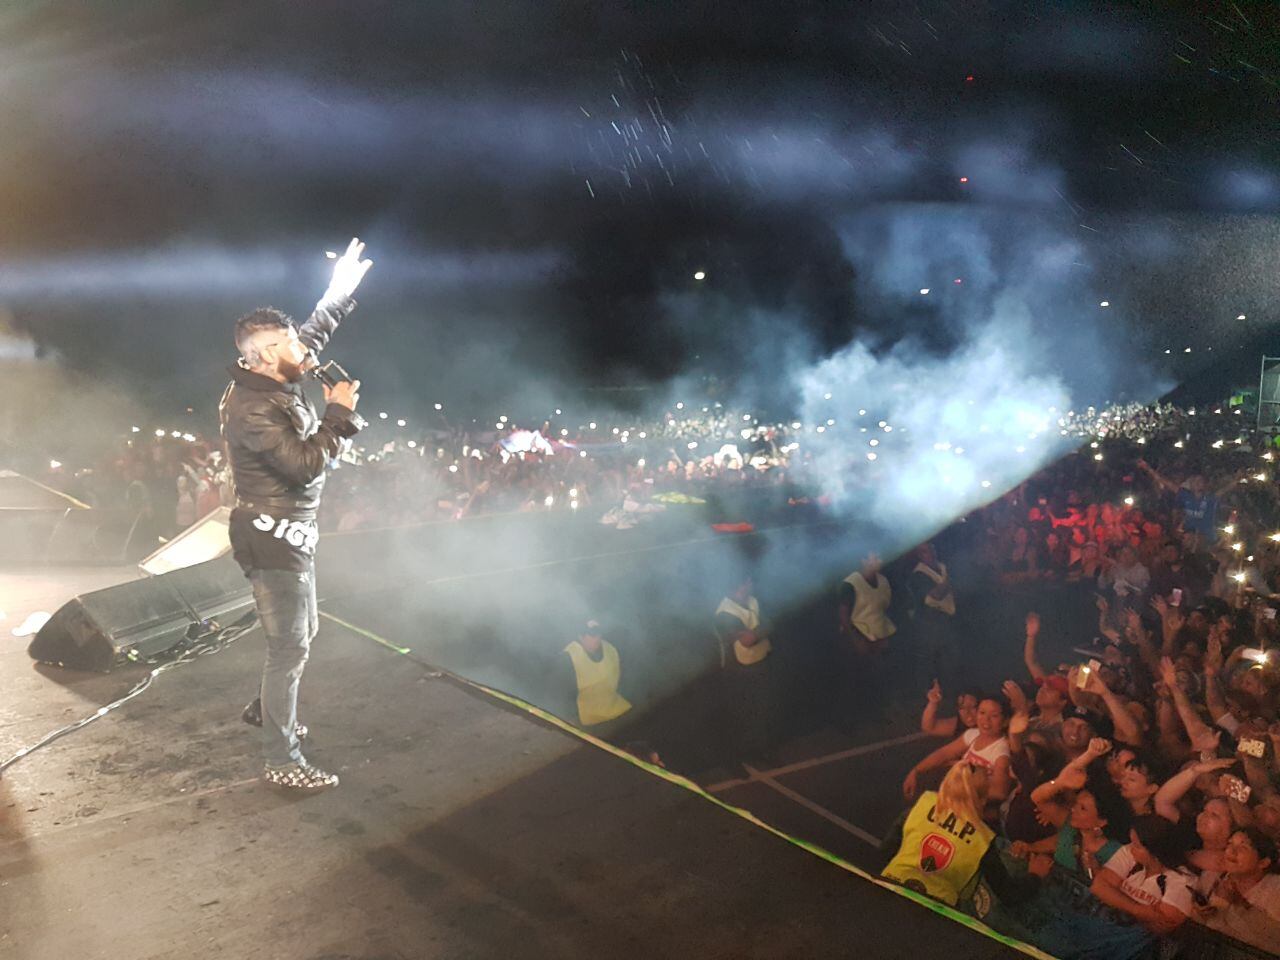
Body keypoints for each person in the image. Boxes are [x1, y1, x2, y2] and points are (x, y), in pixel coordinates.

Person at [220, 237, 372, 791]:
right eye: (287, 342)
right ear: (262, 355)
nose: (301, 348)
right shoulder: (254, 407)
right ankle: (281, 758)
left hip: (293, 528)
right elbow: (306, 465)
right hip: (270, 532)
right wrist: (339, 415)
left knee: (305, 629)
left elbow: (315, 331)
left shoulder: (277, 372)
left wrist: (339, 290)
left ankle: (266, 710)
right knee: (289, 646)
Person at [836, 553, 896, 724]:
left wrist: (885, 635)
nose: (879, 560)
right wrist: (856, 641)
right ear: (863, 561)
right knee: (853, 681)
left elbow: (883, 610)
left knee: (876, 678)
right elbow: (843, 616)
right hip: (856, 637)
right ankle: (848, 722)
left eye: (879, 557)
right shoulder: (850, 583)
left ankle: (875, 716)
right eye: (874, 557)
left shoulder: (883, 581)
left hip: (877, 637)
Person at [907, 542, 960, 693]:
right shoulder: (918, 575)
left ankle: (948, 690)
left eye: (931, 549)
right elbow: (935, 596)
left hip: (947, 619)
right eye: (925, 551)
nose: (930, 553)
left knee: (949, 657)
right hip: (929, 622)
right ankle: (926, 694)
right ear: (920, 555)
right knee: (929, 660)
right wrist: (950, 580)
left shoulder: (943, 567)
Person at [563, 620, 632, 732]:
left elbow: (622, 675)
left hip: (615, 709)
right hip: (588, 720)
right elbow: (564, 693)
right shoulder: (568, 658)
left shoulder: (610, 649)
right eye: (592, 635)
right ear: (581, 636)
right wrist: (571, 718)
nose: (597, 638)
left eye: (599, 633)